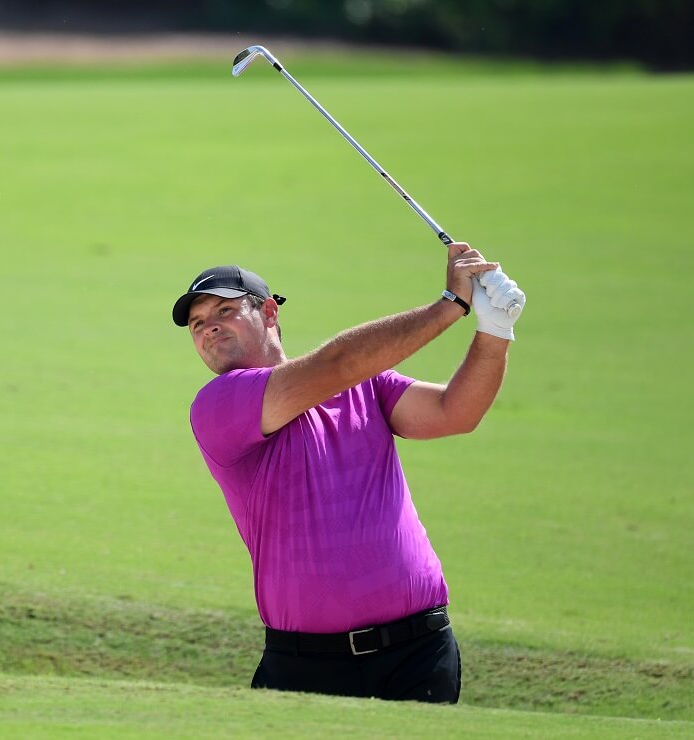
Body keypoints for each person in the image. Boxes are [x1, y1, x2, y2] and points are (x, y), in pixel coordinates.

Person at [171, 243, 526, 703]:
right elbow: (335, 364)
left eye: (224, 309)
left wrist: (495, 329)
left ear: (269, 312)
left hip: (417, 653)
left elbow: (454, 412)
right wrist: (450, 305)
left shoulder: (364, 385)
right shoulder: (219, 404)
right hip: (307, 666)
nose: (209, 326)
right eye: (197, 323)